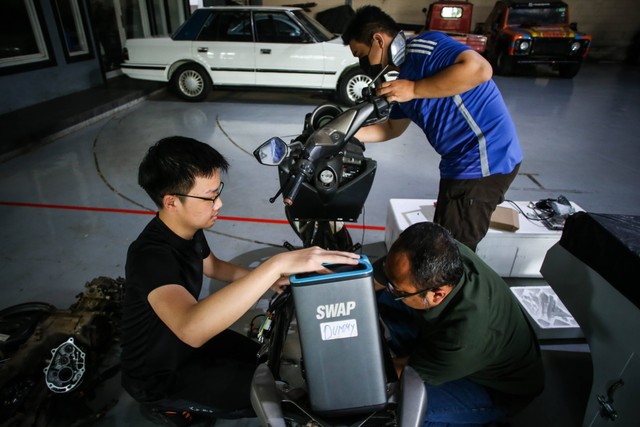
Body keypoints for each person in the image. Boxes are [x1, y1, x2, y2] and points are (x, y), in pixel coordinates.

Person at [121, 136, 360, 425]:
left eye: (217, 191)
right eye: (209, 196)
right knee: (268, 396)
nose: (219, 203)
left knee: (261, 362)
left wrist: (267, 280)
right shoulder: (150, 257)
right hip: (159, 373)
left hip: (184, 346)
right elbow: (191, 328)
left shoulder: (188, 228)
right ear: (172, 201)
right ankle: (163, 406)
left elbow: (213, 266)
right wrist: (273, 267)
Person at [342, 6, 523, 251]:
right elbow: (392, 128)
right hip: (458, 163)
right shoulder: (401, 78)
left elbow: (481, 69)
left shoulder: (425, 46)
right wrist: (341, 133)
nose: (363, 63)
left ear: (378, 41)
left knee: (452, 253)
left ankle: (457, 289)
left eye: (361, 54)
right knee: (443, 239)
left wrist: (414, 89)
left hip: (484, 159)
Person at [375, 221, 544, 426]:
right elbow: (375, 280)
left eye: (398, 288)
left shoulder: (464, 336)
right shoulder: (439, 254)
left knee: (402, 410)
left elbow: (401, 370)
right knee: (384, 298)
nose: (390, 286)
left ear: (437, 295)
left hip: (494, 388)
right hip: (451, 349)